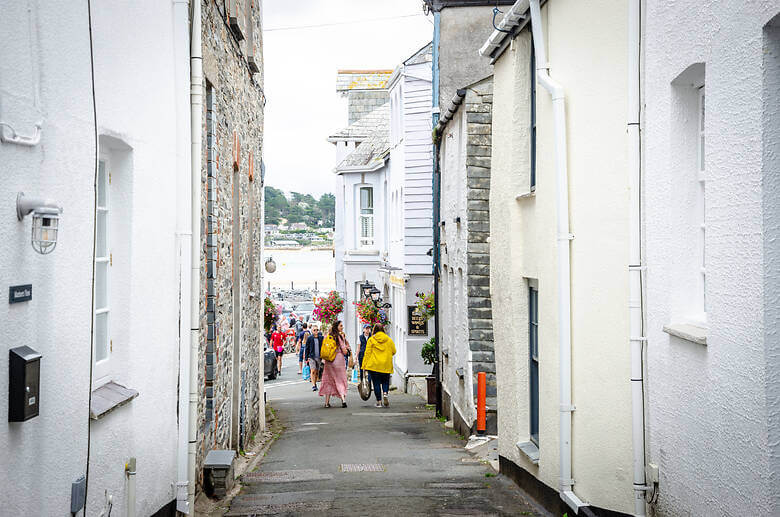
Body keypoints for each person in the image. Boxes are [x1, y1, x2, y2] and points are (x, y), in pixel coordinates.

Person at [362, 323, 396, 408]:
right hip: (386, 365)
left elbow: (367, 353)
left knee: (376, 383)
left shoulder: (371, 340)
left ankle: (379, 402)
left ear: (374, 330)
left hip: (374, 365)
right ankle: (385, 394)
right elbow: (394, 351)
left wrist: (364, 365)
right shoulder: (388, 339)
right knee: (385, 381)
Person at [318, 320, 351, 408]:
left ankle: (326, 403)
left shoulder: (328, 336)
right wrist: (348, 350)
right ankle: (343, 400)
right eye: (340, 326)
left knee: (328, 380)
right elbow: (344, 351)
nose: (342, 327)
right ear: (336, 327)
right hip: (338, 360)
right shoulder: (339, 336)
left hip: (329, 360)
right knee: (340, 380)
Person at [304, 325, 324, 391]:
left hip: (319, 357)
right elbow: (307, 348)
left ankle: (315, 383)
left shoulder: (321, 338)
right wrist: (306, 358)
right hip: (311, 357)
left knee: (317, 371)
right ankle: (313, 385)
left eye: (317, 330)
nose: (316, 331)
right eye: (314, 330)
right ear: (312, 331)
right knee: (313, 370)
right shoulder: (310, 338)